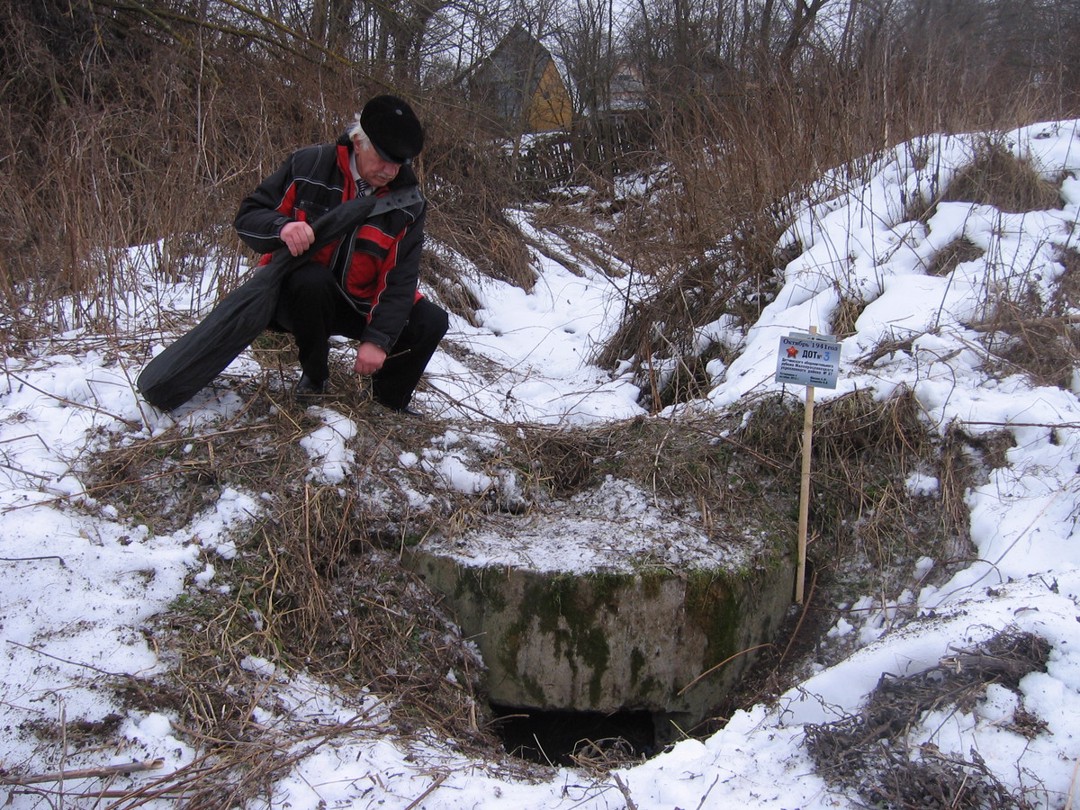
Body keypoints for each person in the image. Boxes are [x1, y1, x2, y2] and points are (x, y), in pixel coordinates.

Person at [234, 94, 448, 415]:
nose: (390, 171)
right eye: (383, 158)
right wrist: (281, 228)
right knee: (311, 279)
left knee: (431, 321)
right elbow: (249, 216)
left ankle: (387, 405)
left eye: (399, 163)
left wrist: (378, 339)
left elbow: (400, 279)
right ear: (358, 142)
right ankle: (315, 378)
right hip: (295, 298)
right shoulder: (309, 165)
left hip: (357, 304)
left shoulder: (408, 204)